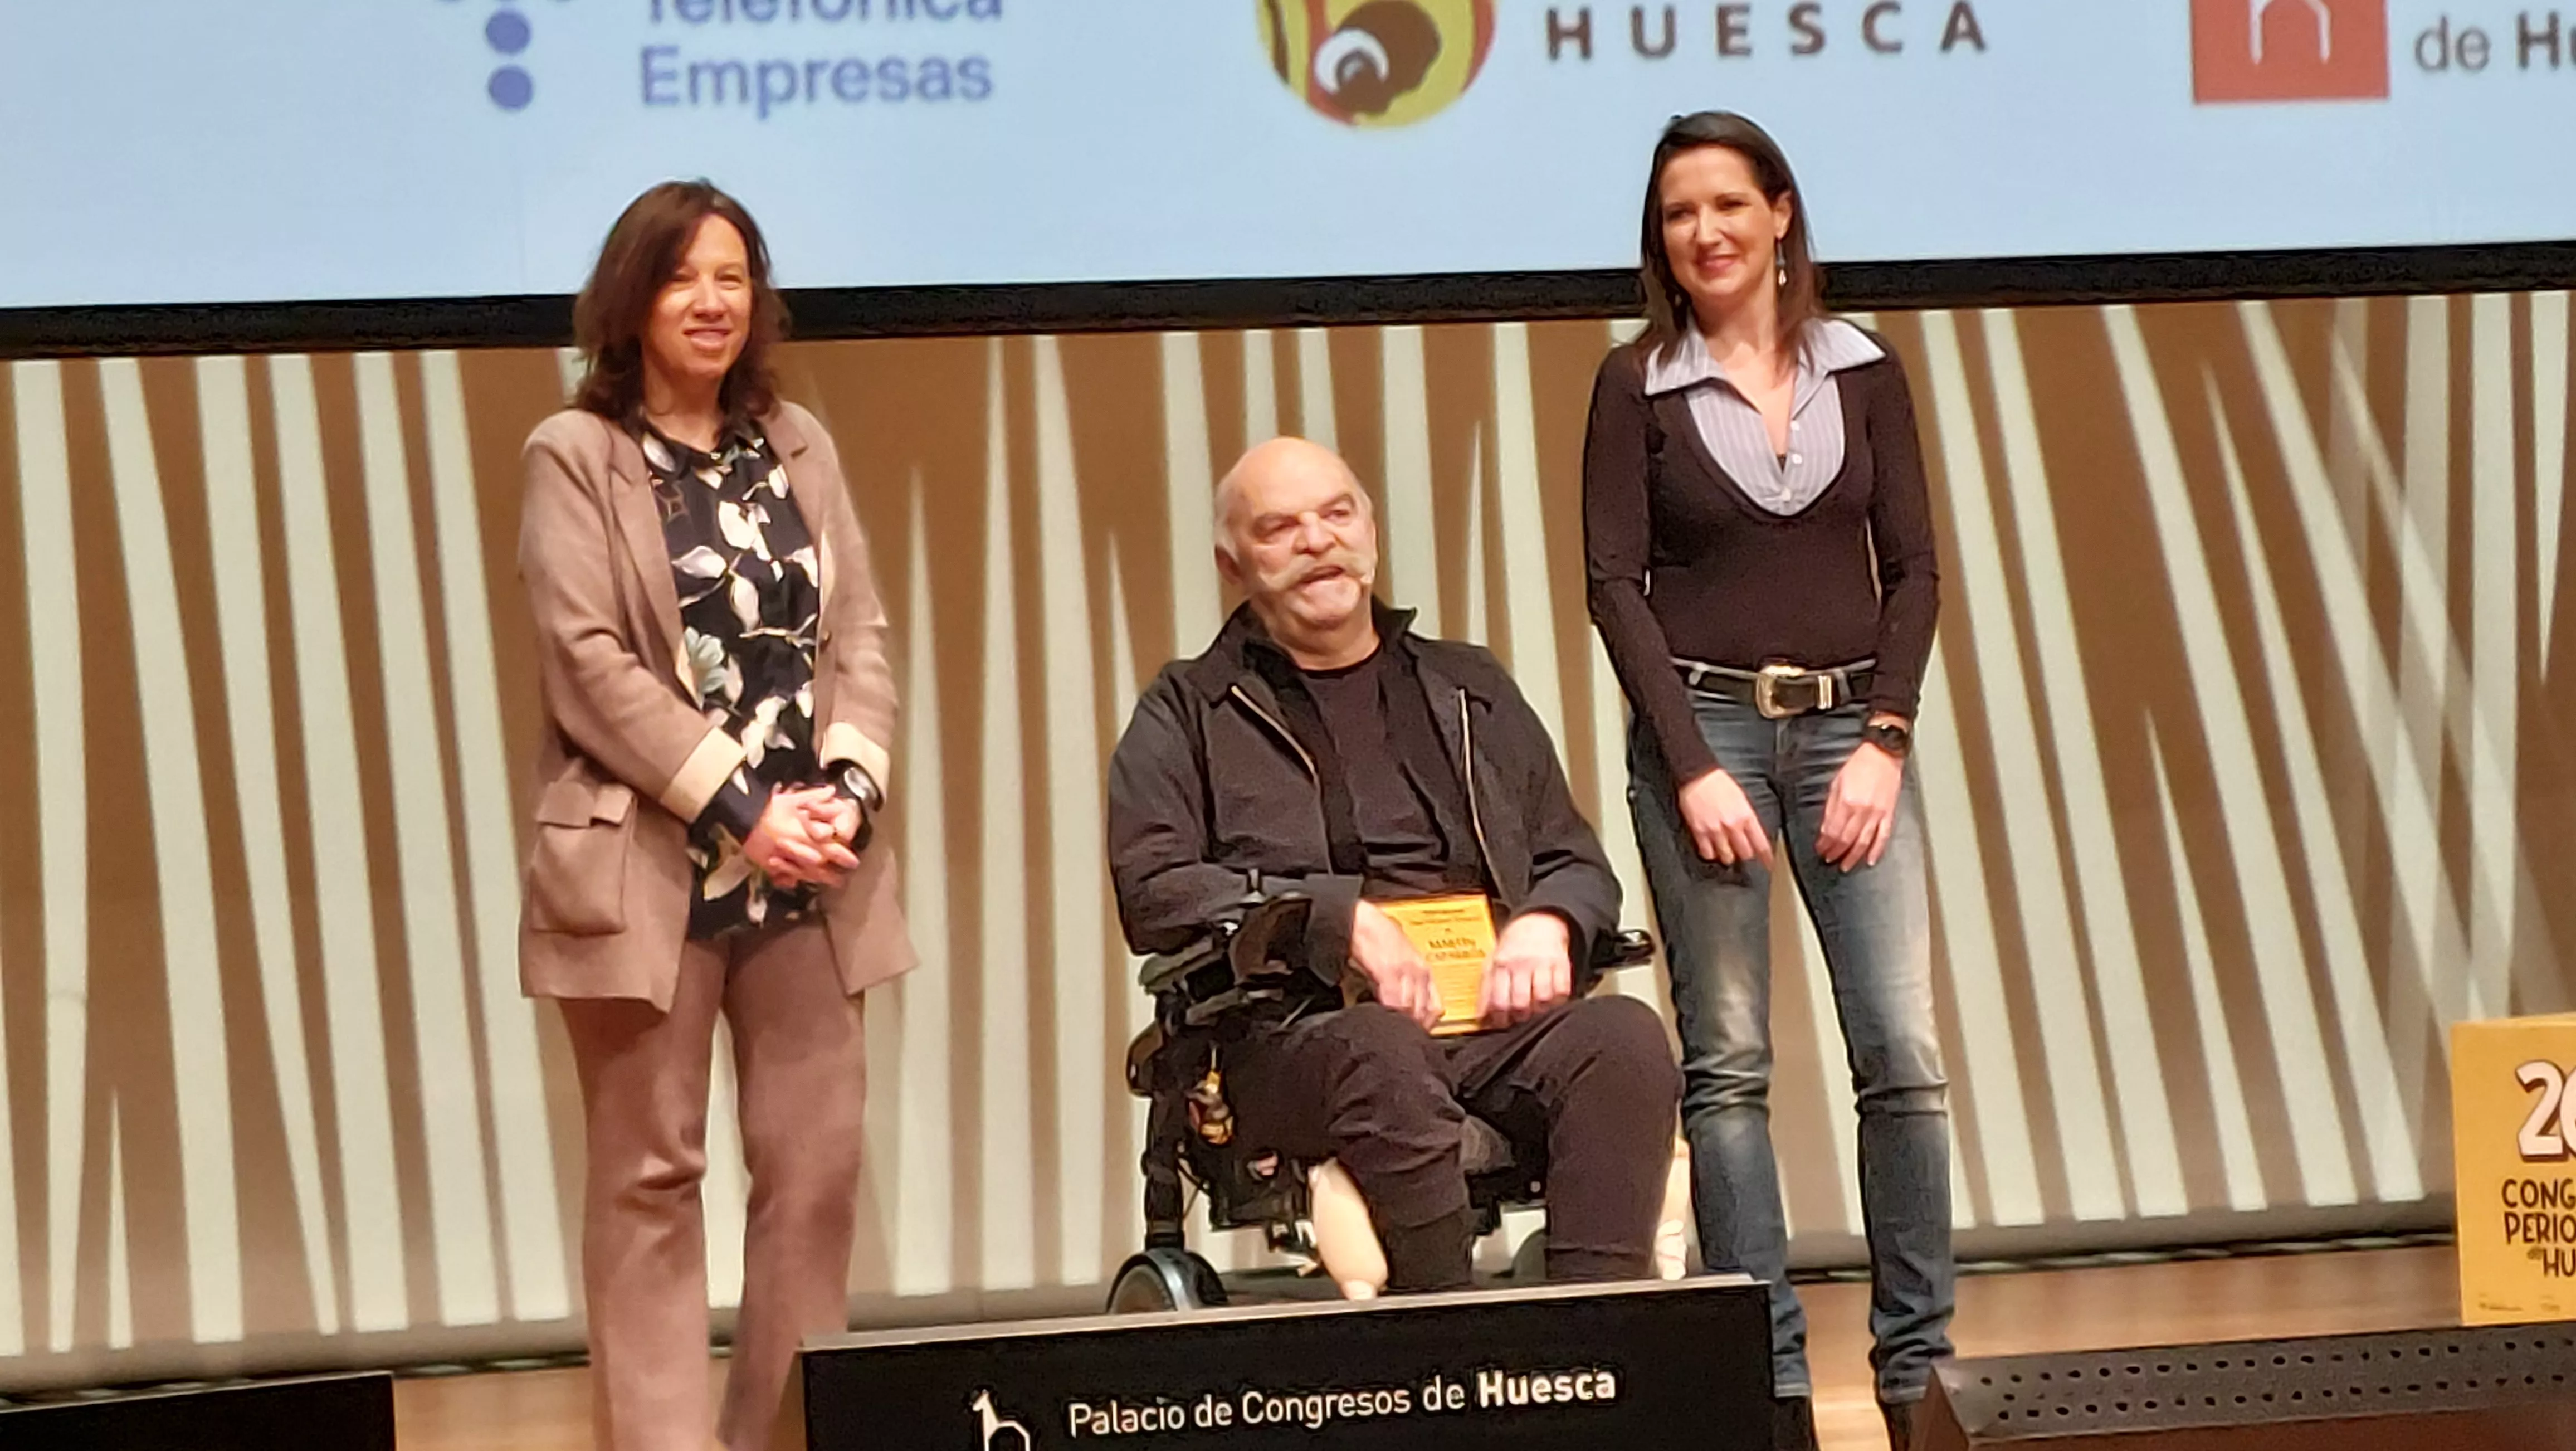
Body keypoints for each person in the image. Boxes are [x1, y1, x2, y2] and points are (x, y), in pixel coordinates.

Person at [517, 179, 913, 1451]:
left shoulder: (796, 439)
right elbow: (587, 664)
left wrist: (842, 793)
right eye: (683, 277)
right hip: (653, 866)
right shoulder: (575, 454)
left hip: (809, 867)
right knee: (651, 1180)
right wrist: (742, 805)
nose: (711, 301)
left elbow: (858, 633)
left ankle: (783, 1436)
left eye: (732, 276)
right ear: (630, 302)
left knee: (813, 1174)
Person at [1582, 112, 1952, 1451]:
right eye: (1680, 213)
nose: (1707, 233)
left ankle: (1919, 1381)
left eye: (1729, 204)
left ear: (1781, 214)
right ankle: (1773, 1386)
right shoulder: (1636, 385)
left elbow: (1911, 572)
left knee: (1900, 1060)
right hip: (1710, 742)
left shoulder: (1867, 370)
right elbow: (1612, 588)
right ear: (1659, 241)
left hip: (1851, 732)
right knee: (1727, 1070)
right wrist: (1687, 764)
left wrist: (1885, 739)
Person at [1107, 436, 1681, 1291]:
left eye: (1337, 514)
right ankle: (1447, 1349)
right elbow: (1155, 890)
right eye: (1280, 527)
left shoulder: (1467, 687)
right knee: (1380, 1053)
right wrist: (1336, 923)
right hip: (1296, 1035)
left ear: (1371, 531)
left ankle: (1590, 1331)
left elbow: (1572, 857)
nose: (1317, 540)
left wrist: (1550, 923)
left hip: (1480, 1018)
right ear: (1233, 564)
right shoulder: (1190, 709)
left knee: (1624, 1039)